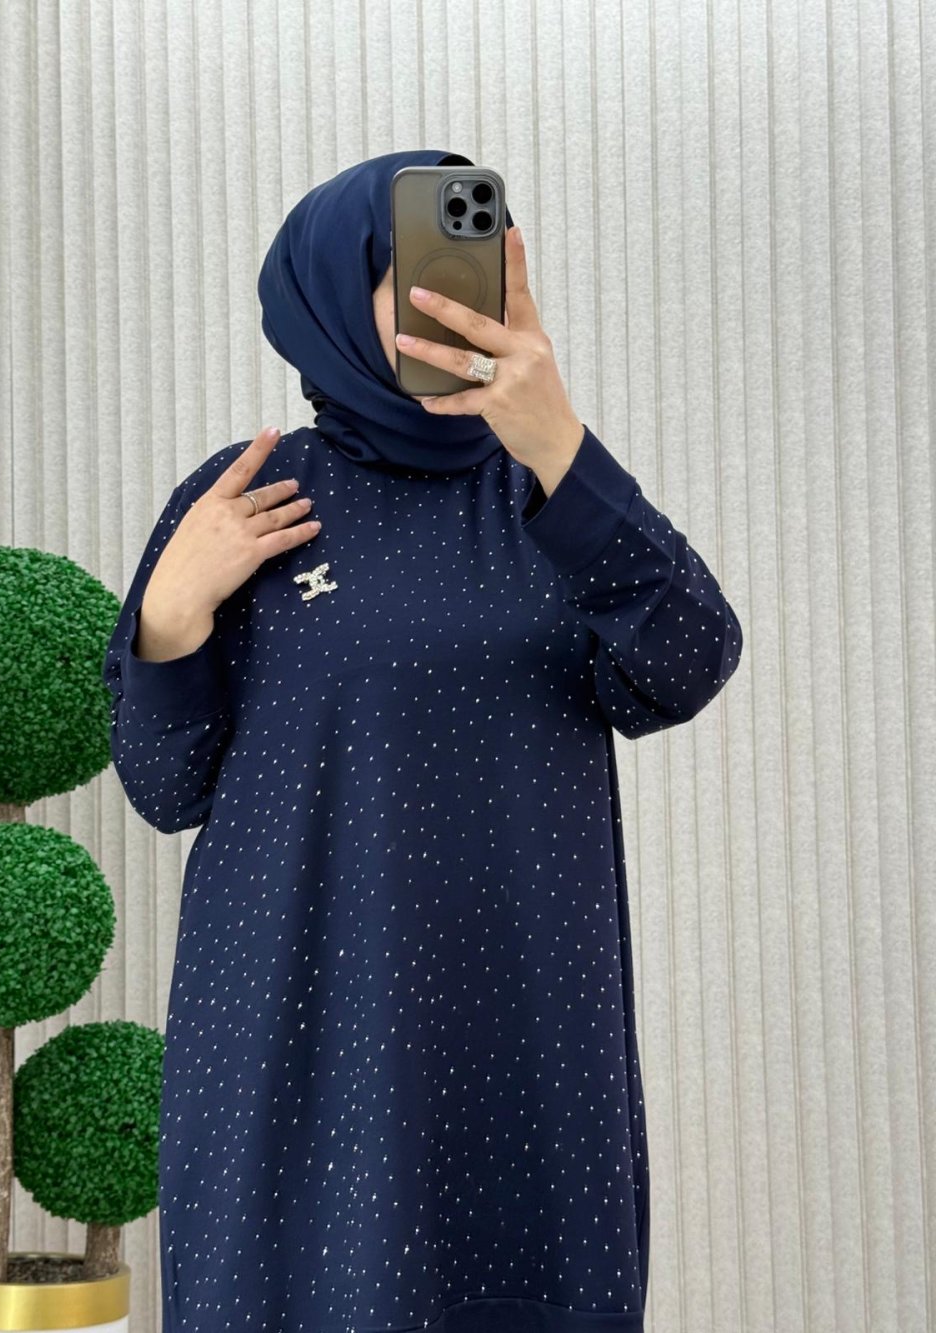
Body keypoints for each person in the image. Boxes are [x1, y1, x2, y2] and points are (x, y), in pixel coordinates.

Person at [103, 148, 743, 1333]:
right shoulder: (249, 496)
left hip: (520, 1046)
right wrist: (170, 617)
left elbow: (687, 662)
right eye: (414, 265)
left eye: (477, 258)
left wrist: (560, 444)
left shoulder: (546, 494)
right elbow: (163, 786)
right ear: (329, 293)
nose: (452, 296)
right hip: (294, 1042)